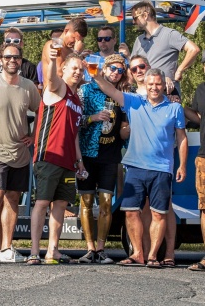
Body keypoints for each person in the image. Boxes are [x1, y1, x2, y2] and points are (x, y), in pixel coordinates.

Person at [88, 66, 188, 267]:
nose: (154, 87)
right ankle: (138, 254)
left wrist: (182, 165)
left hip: (162, 168)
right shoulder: (134, 101)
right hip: (134, 167)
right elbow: (110, 90)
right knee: (131, 212)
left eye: (158, 84)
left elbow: (182, 138)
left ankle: (152, 256)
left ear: (164, 85)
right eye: (150, 84)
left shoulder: (174, 108)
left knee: (159, 214)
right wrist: (96, 75)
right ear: (145, 84)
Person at [0, 43, 41, 263]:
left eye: (17, 57)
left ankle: (6, 248)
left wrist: (33, 136)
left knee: (13, 198)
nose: (12, 60)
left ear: (21, 60)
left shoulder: (29, 86)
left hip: (20, 152)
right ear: (1, 60)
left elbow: (41, 112)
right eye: (8, 57)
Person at [27, 52, 86, 265]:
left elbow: (74, 134)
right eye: (74, 68)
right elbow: (50, 80)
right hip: (48, 156)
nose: (78, 72)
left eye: (81, 69)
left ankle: (53, 250)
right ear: (64, 70)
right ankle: (35, 251)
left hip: (68, 161)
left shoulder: (77, 99)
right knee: (42, 202)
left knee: (60, 204)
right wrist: (52, 60)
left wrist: (79, 162)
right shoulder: (59, 87)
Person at [77, 54, 129, 264]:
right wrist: (92, 118)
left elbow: (126, 121)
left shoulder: (121, 94)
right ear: (104, 69)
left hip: (110, 154)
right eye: (113, 69)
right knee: (87, 201)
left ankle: (101, 248)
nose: (116, 73)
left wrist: (126, 129)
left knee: (106, 202)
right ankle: (89, 249)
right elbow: (74, 120)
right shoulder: (86, 90)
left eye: (120, 70)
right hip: (88, 153)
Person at [128, 55, 179, 267]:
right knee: (141, 209)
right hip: (136, 157)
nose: (138, 70)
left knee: (164, 208)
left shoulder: (167, 89)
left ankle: (167, 253)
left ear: (148, 67)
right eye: (134, 68)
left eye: (141, 66)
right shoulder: (131, 94)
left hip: (163, 156)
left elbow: (179, 125)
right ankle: (146, 253)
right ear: (131, 73)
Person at [131, 0, 200, 94]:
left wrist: (180, 70)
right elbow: (132, 68)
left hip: (168, 94)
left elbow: (193, 49)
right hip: (146, 95)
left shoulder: (169, 34)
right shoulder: (138, 40)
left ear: (145, 15)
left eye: (135, 18)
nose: (133, 22)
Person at [186, 51, 205, 271]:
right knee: (204, 209)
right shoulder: (201, 89)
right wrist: (179, 107)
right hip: (204, 156)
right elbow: (199, 119)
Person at [41, 18, 88, 88]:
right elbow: (59, 72)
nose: (76, 42)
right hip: (54, 95)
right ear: (66, 31)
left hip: (68, 95)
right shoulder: (55, 44)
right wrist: (76, 52)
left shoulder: (71, 50)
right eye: (74, 38)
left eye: (79, 40)